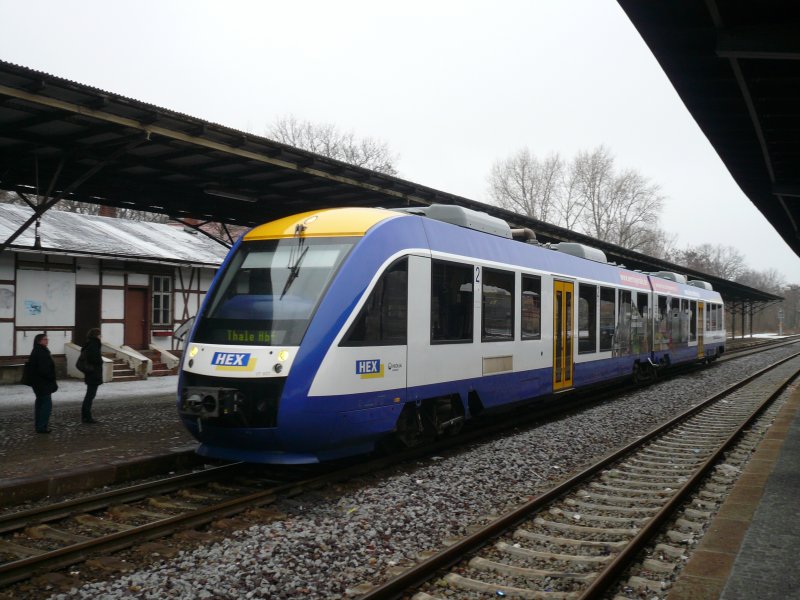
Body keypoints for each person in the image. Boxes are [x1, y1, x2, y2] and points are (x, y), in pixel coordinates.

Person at [29, 333, 58, 433]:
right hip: (43, 383)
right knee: (46, 405)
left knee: (40, 404)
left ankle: (40, 426)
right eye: (45, 339)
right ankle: (42, 426)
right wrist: (51, 377)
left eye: (47, 339)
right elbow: (44, 369)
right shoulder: (41, 352)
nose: (47, 341)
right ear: (39, 341)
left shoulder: (37, 350)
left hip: (38, 383)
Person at [81, 327, 103, 424]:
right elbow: (93, 359)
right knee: (90, 396)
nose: (101, 337)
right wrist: (99, 361)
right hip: (93, 373)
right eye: (100, 335)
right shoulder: (94, 344)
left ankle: (86, 416)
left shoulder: (89, 343)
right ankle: (86, 416)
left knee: (89, 395)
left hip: (91, 373)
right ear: (96, 336)